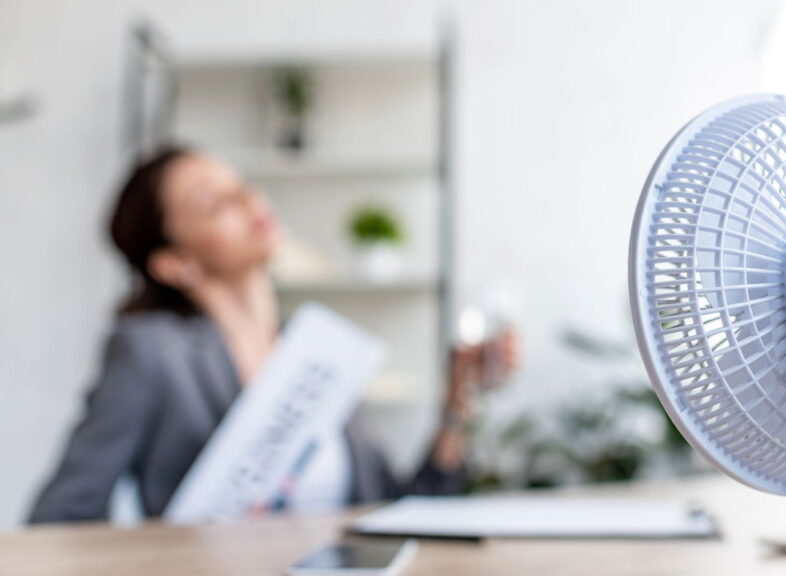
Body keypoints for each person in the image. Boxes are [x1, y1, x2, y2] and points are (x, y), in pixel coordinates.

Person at [29, 147, 515, 523]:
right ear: (175, 263)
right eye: (212, 201)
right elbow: (61, 518)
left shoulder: (319, 353)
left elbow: (400, 509)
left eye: (241, 184)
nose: (248, 200)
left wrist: (459, 400)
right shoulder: (152, 351)